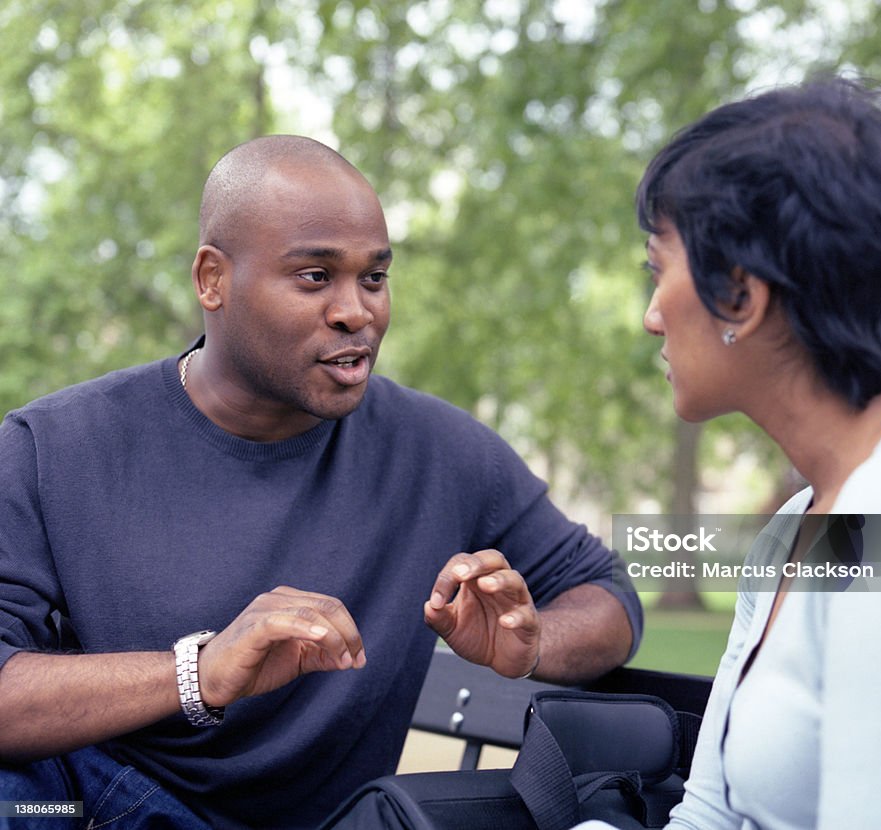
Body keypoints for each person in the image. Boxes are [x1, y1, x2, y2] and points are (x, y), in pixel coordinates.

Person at [0, 135, 642, 829]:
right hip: (108, 806)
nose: (356, 312)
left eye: (373, 278)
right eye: (315, 277)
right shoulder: (53, 448)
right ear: (213, 279)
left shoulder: (441, 452)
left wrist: (533, 641)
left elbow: (607, 599)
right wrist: (199, 672)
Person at [577, 76, 881, 830]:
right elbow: (714, 814)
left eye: (660, 271)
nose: (652, 317)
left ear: (742, 297)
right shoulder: (794, 528)